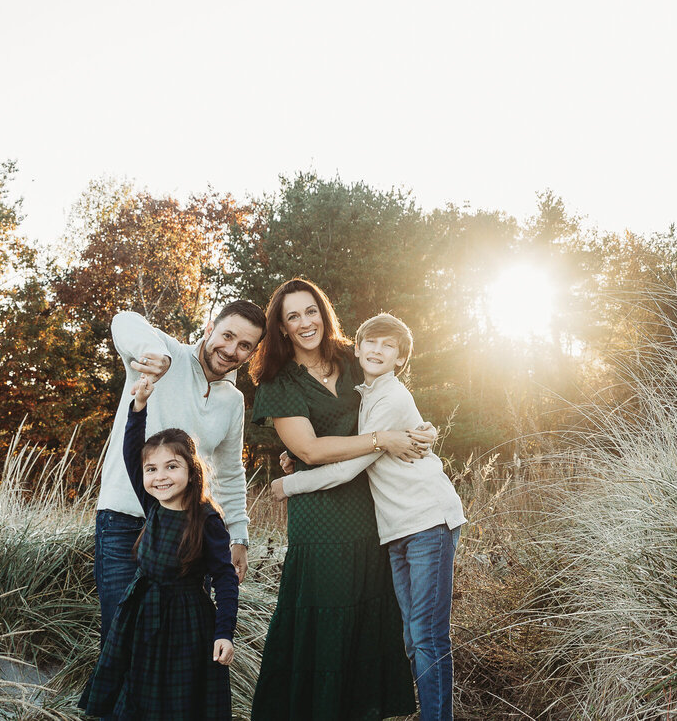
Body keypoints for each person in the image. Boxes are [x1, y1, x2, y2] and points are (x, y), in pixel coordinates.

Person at [248, 278, 430, 721]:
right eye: (293, 316)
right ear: (282, 328)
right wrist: (379, 439)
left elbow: (392, 398)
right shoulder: (278, 380)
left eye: (311, 311)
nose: (305, 322)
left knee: (368, 613)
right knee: (325, 613)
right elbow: (308, 450)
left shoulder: (352, 358)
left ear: (323, 312)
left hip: (371, 504)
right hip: (319, 511)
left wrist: (419, 429)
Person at [275, 312, 466, 721]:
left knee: (428, 636)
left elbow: (349, 466)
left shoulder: (391, 395)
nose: (377, 350)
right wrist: (296, 457)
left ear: (401, 359)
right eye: (371, 343)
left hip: (428, 521)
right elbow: (345, 442)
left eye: (388, 346)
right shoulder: (367, 393)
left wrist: (289, 486)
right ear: (357, 348)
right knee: (412, 638)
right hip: (397, 529)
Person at [93, 302, 264, 655]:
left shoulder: (233, 401)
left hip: (186, 532)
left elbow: (230, 473)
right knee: (119, 641)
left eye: (244, 345)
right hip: (125, 523)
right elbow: (123, 321)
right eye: (227, 336)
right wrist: (153, 355)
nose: (231, 350)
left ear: (252, 352)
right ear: (209, 328)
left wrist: (239, 538)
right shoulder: (167, 352)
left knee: (173, 648)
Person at [79, 375, 239, 720]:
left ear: (191, 471)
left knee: (178, 698)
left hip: (186, 622)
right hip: (141, 612)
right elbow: (130, 448)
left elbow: (225, 578)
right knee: (137, 685)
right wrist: (139, 406)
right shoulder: (151, 504)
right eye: (151, 469)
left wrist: (224, 632)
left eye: (171, 466)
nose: (160, 476)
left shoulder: (206, 518)